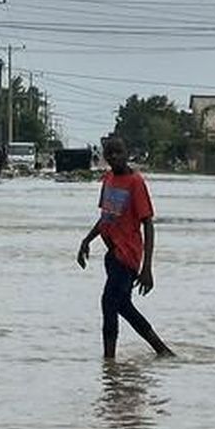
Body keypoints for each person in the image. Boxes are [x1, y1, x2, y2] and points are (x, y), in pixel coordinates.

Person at [79, 135, 174, 359]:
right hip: (112, 254)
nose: (113, 157)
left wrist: (147, 268)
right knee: (121, 304)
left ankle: (109, 361)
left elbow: (148, 225)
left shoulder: (136, 183)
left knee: (109, 302)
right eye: (109, 153)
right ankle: (161, 351)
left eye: (118, 152)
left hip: (129, 255)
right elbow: (106, 217)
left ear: (126, 153)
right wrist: (87, 240)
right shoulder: (108, 179)